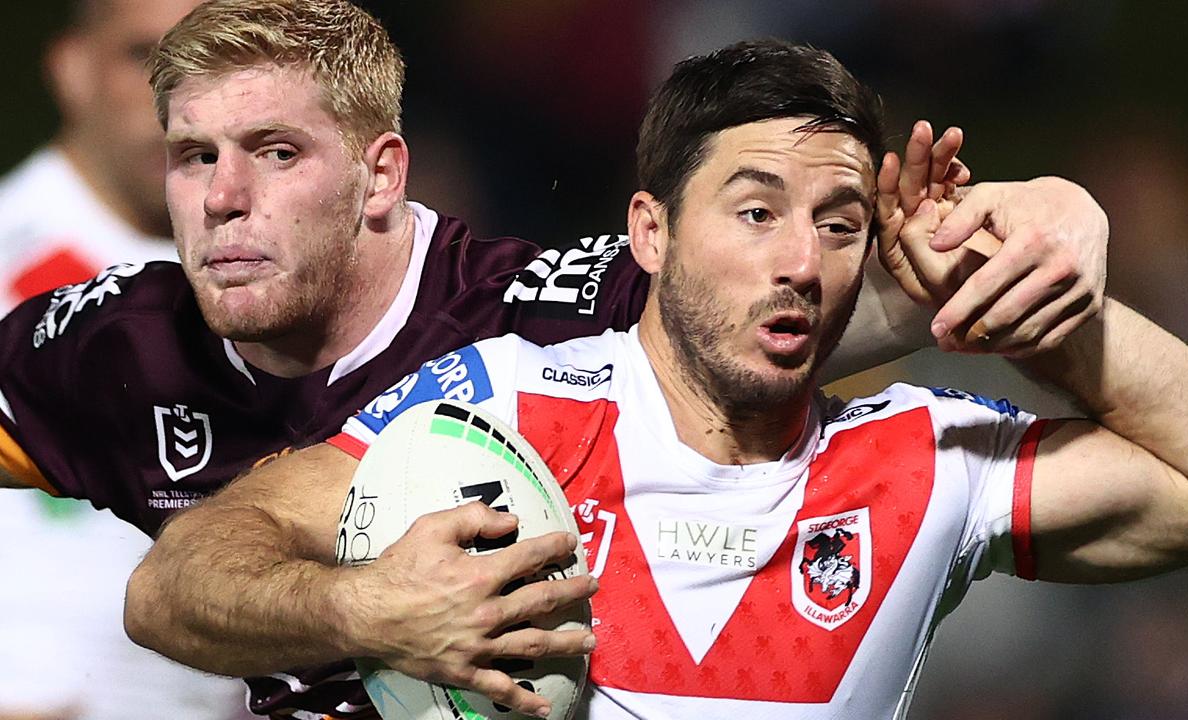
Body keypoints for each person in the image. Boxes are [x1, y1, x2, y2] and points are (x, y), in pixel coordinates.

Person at [0, 0, 1103, 717]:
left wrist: (1049, 209)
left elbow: (826, 294)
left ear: (382, 177)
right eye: (193, 157)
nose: (222, 200)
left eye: (275, 154)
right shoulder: (116, 343)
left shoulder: (539, 318)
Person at [0, 1, 246, 718]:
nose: (180, 88)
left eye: (213, 54)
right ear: (71, 69)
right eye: (142, 56)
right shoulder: (16, 264)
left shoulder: (279, 277)